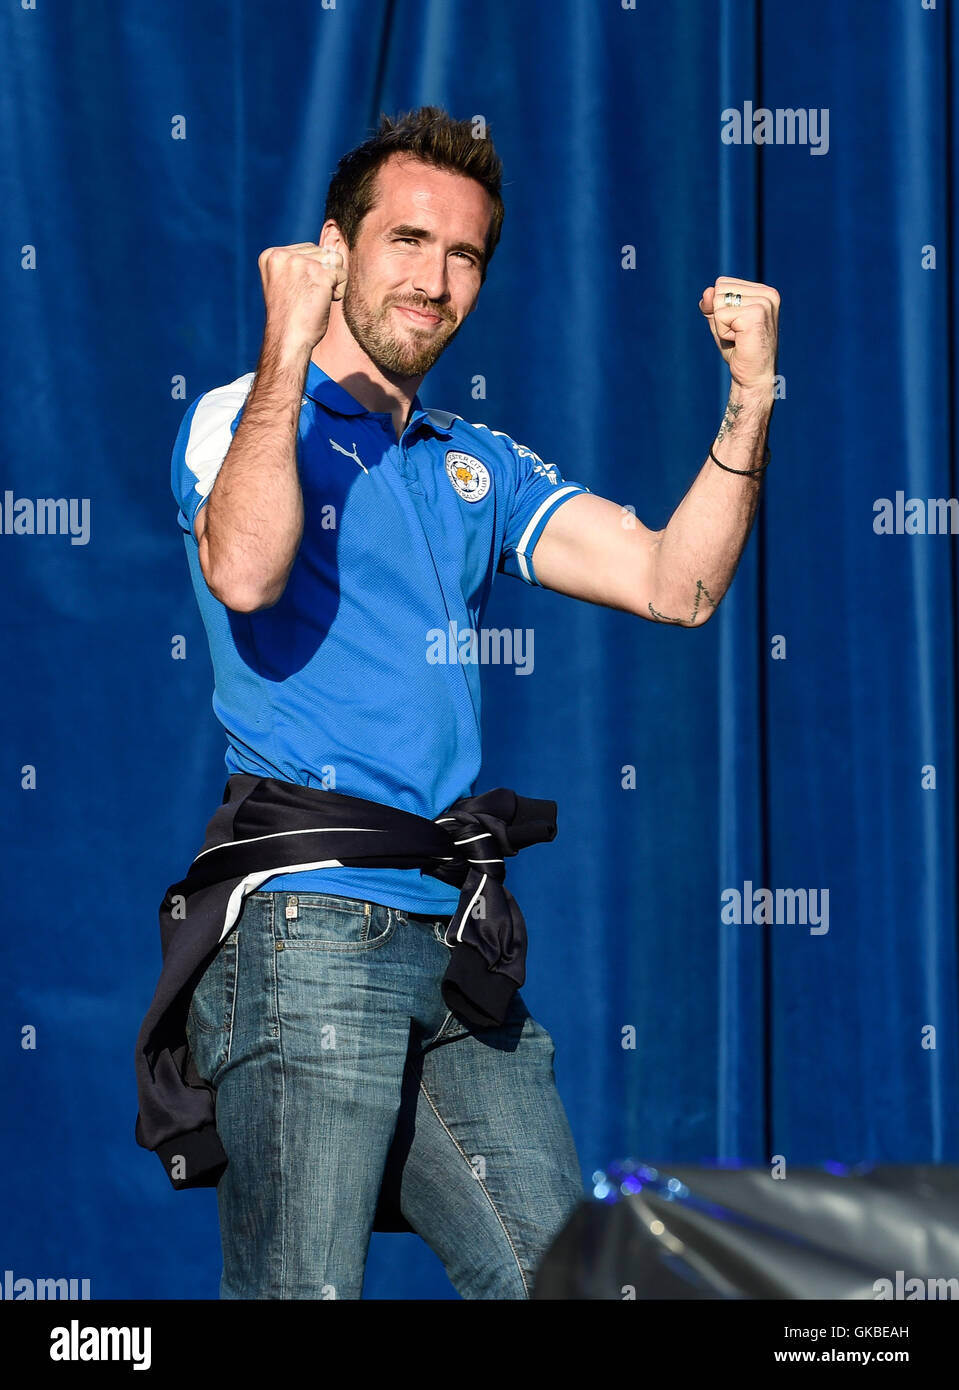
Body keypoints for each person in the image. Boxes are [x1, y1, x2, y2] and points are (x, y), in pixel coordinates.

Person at [170, 105, 780, 1300]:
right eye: (406, 242)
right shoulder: (246, 413)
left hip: (454, 944)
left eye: (464, 256)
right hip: (308, 932)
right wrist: (285, 351)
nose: (435, 279)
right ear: (335, 251)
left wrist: (751, 399)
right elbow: (242, 569)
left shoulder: (474, 462)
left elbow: (678, 584)